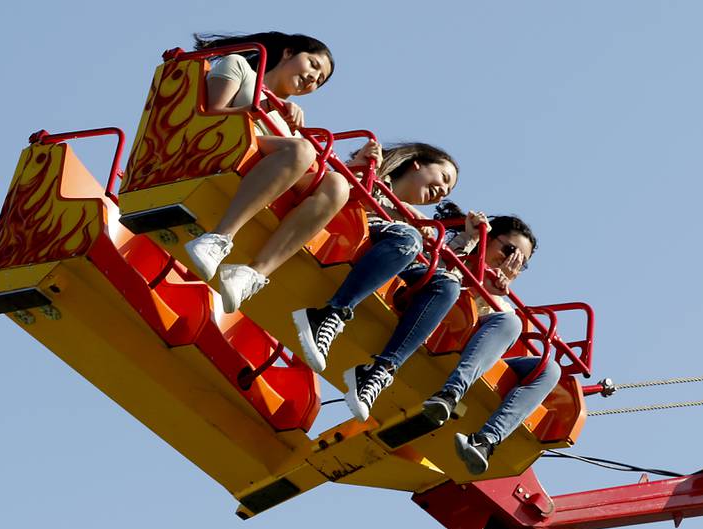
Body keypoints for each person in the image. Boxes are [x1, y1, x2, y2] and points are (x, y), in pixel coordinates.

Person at [292, 143, 487, 423]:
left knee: (447, 285)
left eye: (448, 191)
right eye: (444, 179)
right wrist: (364, 163)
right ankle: (330, 314)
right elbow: (343, 186)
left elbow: (436, 266)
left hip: (398, 254)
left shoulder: (425, 227)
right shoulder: (377, 179)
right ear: (417, 164)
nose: (443, 191)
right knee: (408, 238)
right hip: (359, 229)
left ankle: (379, 370)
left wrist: (468, 240)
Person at [184, 32, 349, 313]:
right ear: (287, 53)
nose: (313, 79)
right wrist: (265, 107)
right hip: (224, 145)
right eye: (312, 65)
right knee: (301, 151)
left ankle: (253, 274)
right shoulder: (240, 67)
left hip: (268, 163)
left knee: (337, 184)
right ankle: (220, 237)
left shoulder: (288, 121)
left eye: (319, 81)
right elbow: (210, 113)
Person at [420, 211, 561, 475]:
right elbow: (440, 286)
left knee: (549, 368)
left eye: (521, 261)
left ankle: (486, 441)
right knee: (510, 323)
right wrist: (483, 283)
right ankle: (450, 393)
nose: (512, 261)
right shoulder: (454, 257)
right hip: (440, 326)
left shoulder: (503, 303)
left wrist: (494, 291)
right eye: (509, 250)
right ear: (489, 239)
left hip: (477, 350)